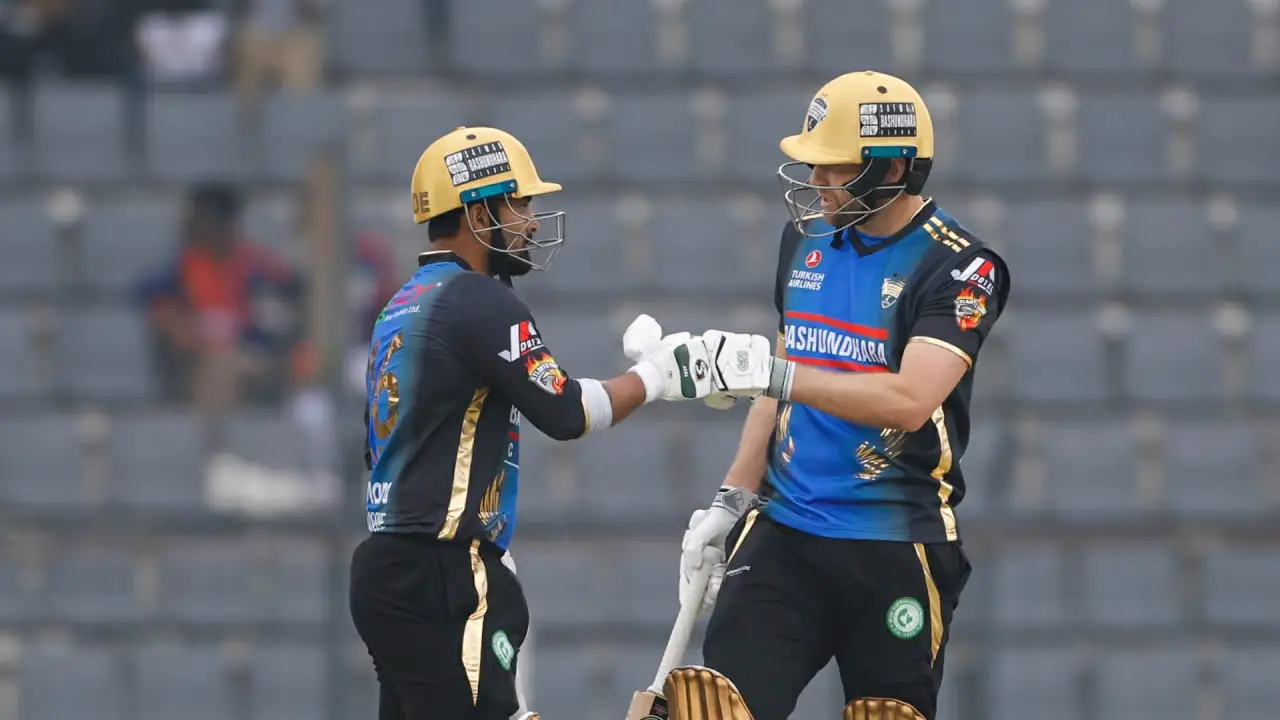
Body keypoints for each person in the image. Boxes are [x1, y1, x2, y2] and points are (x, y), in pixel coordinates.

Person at [347, 126, 749, 720]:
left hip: (384, 568)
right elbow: (568, 412)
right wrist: (662, 374)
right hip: (443, 571)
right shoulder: (479, 300)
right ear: (478, 213)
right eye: (520, 205)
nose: (532, 223)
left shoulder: (399, 305)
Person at [662, 71, 1013, 720]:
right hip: (783, 533)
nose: (816, 180)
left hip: (896, 545)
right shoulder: (804, 238)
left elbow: (910, 400)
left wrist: (774, 374)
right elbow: (780, 382)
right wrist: (731, 498)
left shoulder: (962, 267)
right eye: (813, 163)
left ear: (893, 168)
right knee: (715, 709)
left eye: (835, 166)